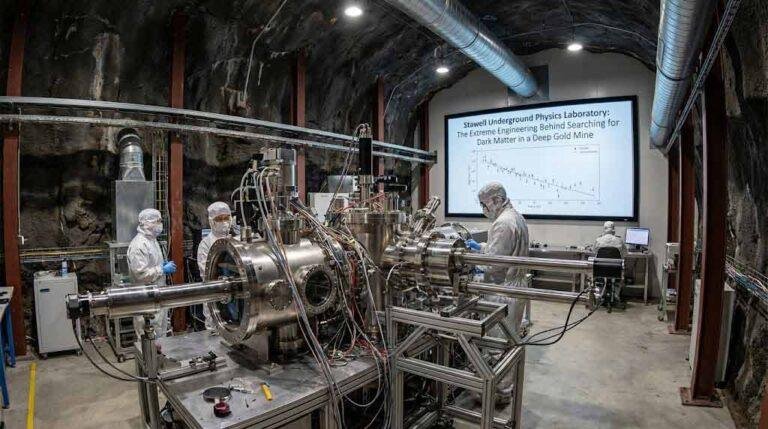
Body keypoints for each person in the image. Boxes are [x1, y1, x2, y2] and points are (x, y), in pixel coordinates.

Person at [127, 208, 175, 337]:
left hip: (156, 294)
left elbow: (151, 264)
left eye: (160, 221)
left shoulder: (152, 240)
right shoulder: (139, 245)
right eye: (156, 221)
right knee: (147, 335)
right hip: (145, 297)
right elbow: (140, 274)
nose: (160, 224)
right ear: (146, 223)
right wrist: (162, 269)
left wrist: (161, 265)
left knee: (159, 332)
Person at [196, 202, 234, 329]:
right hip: (214, 293)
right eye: (219, 219)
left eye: (226, 218)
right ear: (212, 222)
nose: (224, 222)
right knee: (215, 328)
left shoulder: (234, 240)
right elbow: (206, 272)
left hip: (233, 292)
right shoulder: (205, 244)